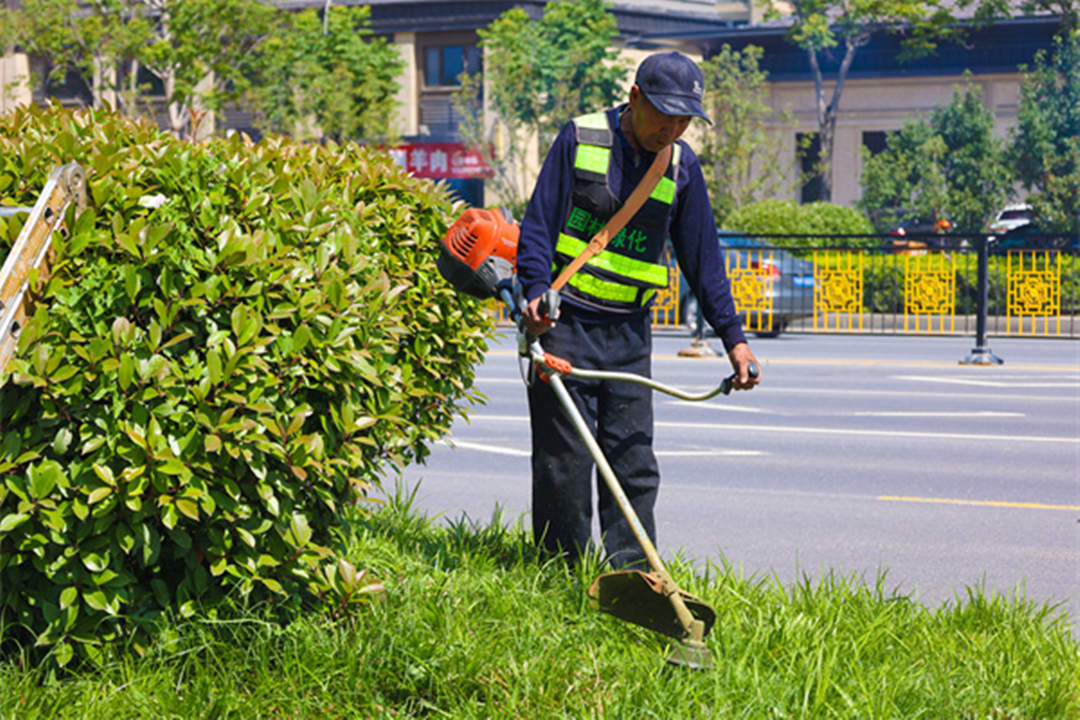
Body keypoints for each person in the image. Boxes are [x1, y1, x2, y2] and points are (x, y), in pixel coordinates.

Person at [515, 51, 761, 569]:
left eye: (684, 119)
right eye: (664, 114)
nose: (672, 129)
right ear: (634, 99)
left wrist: (734, 339)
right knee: (565, 462)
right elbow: (537, 228)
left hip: (627, 336)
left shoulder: (681, 165)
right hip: (564, 326)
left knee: (632, 460)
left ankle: (634, 577)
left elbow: (704, 260)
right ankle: (561, 574)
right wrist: (535, 293)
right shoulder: (579, 139)